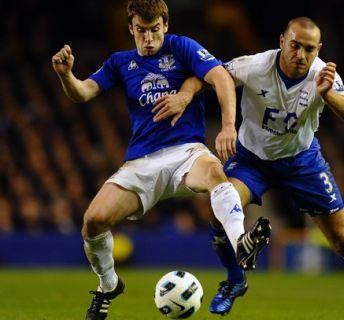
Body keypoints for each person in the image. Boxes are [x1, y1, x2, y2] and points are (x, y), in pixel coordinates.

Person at [51, 1, 270, 319]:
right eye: (141, 30)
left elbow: (221, 77)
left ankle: (241, 242)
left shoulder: (182, 47)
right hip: (141, 163)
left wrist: (225, 126)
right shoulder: (119, 63)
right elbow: (83, 93)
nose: (149, 38)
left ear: (165, 25)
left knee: (215, 175)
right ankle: (109, 284)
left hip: (186, 152)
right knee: (93, 222)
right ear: (131, 29)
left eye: (155, 29)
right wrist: (66, 75)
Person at [206, 17, 344, 320]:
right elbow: (211, 75)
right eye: (295, 45)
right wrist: (186, 97)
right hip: (252, 159)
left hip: (302, 162)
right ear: (282, 40)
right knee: (219, 208)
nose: (300, 54)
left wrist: (328, 94)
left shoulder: (321, 73)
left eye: (309, 49)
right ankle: (235, 281)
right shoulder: (255, 65)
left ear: (318, 50)